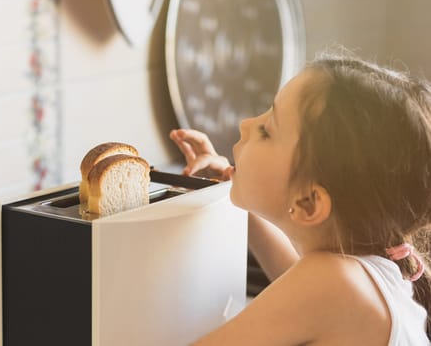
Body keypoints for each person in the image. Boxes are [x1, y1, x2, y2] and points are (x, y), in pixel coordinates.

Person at [170, 52, 431, 345]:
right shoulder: (363, 271)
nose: (246, 124)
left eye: (267, 131)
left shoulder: (333, 283)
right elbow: (292, 273)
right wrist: (233, 179)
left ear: (309, 204)